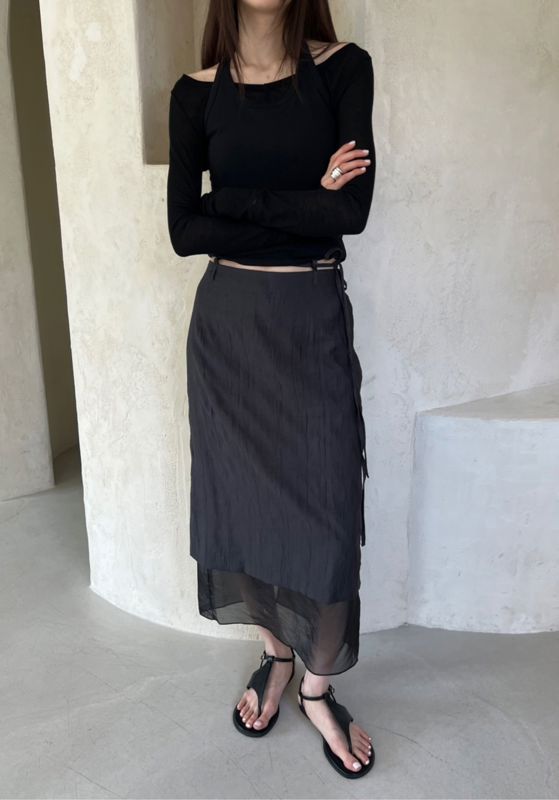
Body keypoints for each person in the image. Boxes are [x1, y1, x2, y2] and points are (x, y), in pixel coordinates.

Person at [167, 0, 376, 779]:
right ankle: (277, 657)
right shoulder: (194, 94)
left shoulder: (343, 70)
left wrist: (230, 203)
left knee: (328, 513)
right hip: (227, 331)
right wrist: (303, 201)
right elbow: (185, 232)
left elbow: (349, 212)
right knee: (242, 505)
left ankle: (317, 688)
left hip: (308, 319)